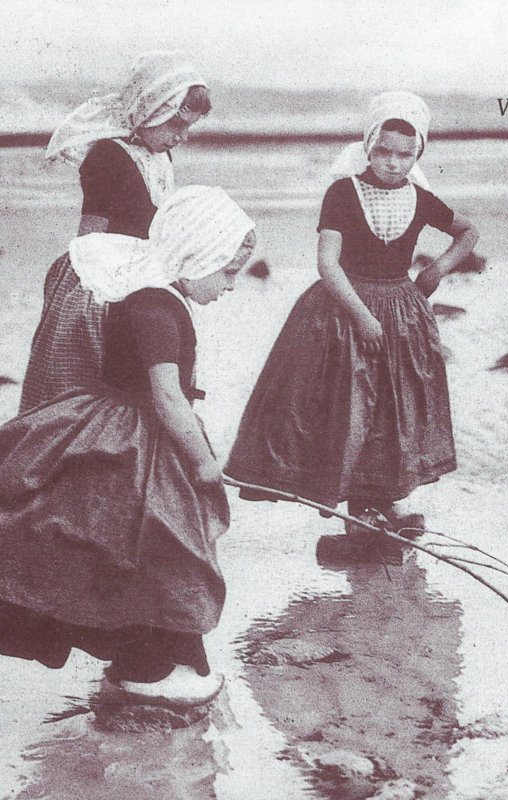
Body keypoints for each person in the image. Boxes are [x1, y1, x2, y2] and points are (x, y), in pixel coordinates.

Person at [0, 185, 256, 706]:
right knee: (157, 545)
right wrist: (204, 463)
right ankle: (148, 667)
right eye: (228, 271)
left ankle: (151, 661)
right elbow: (167, 396)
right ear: (197, 255)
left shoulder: (147, 293)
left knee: (146, 545)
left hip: (115, 427)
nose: (231, 285)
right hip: (134, 439)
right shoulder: (158, 307)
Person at [225, 91, 478, 530]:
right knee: (344, 405)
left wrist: (436, 271)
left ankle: (382, 499)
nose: (393, 163)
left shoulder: (420, 198)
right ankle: (350, 505)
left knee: (393, 406)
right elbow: (327, 263)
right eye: (383, 151)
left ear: (417, 154)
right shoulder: (343, 192)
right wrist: (361, 315)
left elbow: (468, 232)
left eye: (405, 154)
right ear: (368, 146)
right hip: (343, 308)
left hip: (400, 312)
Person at [20, 51, 211, 411]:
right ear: (149, 111)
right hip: (102, 277)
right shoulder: (108, 155)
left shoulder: (160, 155)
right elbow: (90, 236)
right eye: (176, 126)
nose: (183, 137)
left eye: (188, 128)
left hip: (141, 273)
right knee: (92, 380)